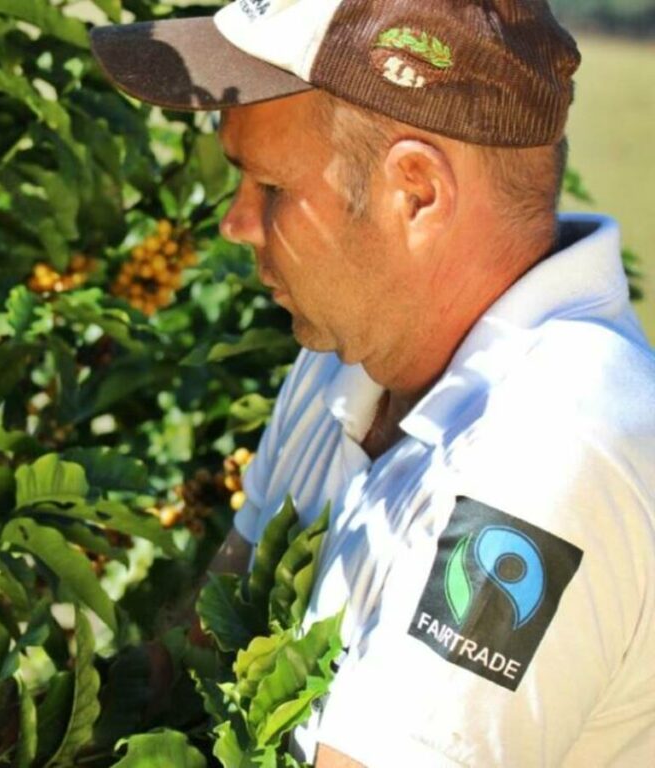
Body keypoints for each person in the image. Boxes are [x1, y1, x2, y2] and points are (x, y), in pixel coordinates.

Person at [91, 0, 655, 766]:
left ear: (417, 193)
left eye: (270, 188)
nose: (236, 224)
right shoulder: (347, 361)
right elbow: (188, 660)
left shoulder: (550, 456)